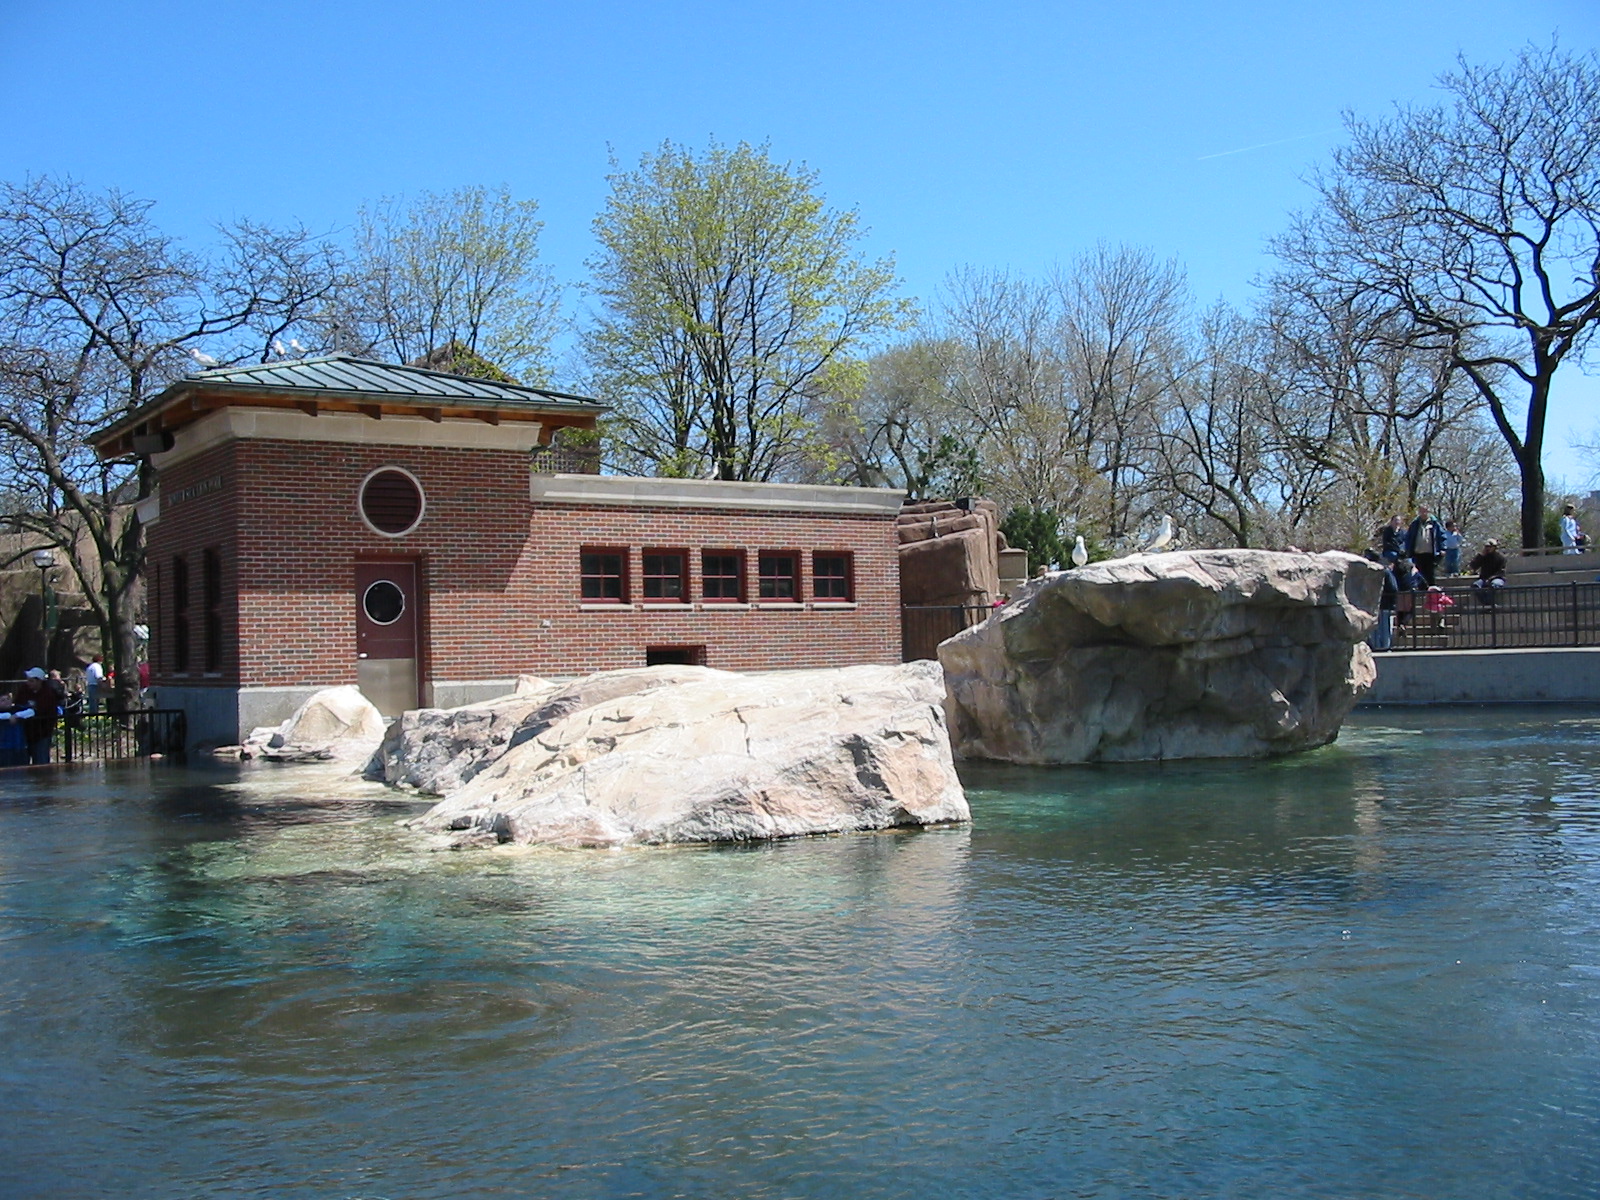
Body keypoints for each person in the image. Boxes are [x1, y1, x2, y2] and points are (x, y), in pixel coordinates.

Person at [13, 667, 62, 766]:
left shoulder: (48, 693)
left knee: (41, 762)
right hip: (26, 732)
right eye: (28, 680)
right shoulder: (24, 690)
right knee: (22, 763)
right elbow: (18, 704)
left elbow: (41, 710)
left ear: (39, 681)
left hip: (42, 733)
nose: (28, 683)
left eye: (31, 681)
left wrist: (23, 714)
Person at [1406, 504, 1447, 585]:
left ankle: (1432, 590)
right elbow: (1408, 538)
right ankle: (1421, 591)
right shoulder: (1415, 524)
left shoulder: (1435, 523)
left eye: (1425, 511)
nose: (1423, 513)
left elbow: (1442, 536)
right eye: (1421, 511)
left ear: (1429, 512)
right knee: (1419, 575)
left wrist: (1443, 548)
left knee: (1430, 574)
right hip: (1417, 553)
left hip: (1431, 553)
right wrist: (1407, 551)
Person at [1370, 556, 1398, 651]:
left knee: (1383, 628)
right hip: (1377, 605)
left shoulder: (1384, 572)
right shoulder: (1381, 572)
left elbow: (1393, 588)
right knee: (1379, 628)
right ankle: (1380, 647)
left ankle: (1382, 647)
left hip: (1383, 605)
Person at [1469, 538, 1508, 606]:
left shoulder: (1501, 558)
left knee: (1494, 585)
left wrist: (1491, 578)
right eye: (1486, 546)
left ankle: (1489, 603)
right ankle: (1488, 603)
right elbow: (1473, 566)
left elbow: (1501, 572)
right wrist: (1480, 556)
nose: (1487, 548)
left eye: (1489, 547)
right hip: (1484, 578)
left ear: (1494, 547)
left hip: (1497, 578)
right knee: (1475, 586)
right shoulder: (1483, 557)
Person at [0, 690, 27, 767]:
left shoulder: (17, 709)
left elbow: (31, 711)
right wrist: (8, 716)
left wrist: (17, 715)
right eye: (3, 700)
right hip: (3, 748)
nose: (6, 702)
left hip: (20, 746)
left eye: (8, 699)